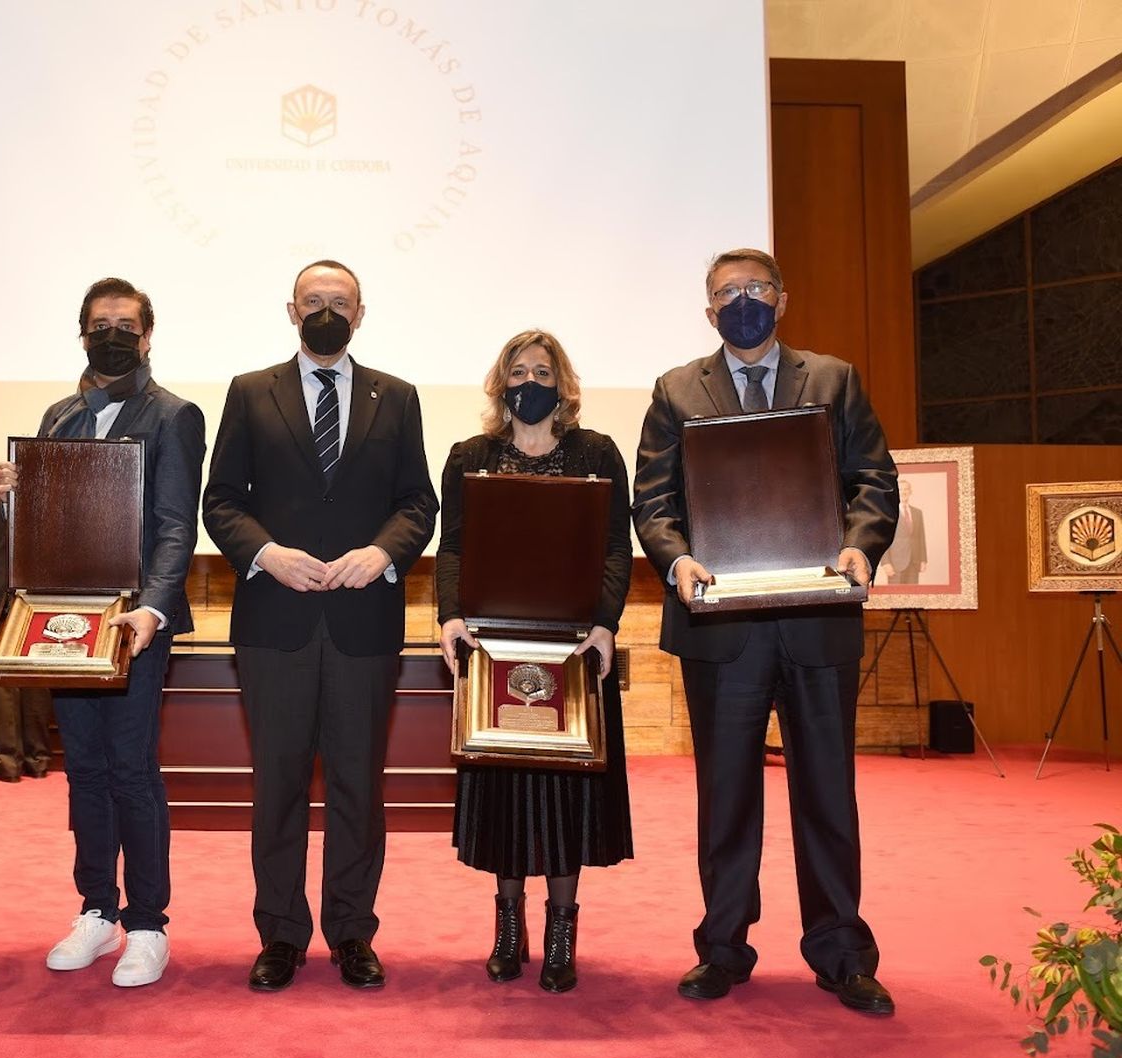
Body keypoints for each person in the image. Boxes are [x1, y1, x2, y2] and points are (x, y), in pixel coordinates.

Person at [631, 248, 899, 1016]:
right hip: (722, 626)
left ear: (783, 297)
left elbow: (874, 481)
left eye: (755, 288)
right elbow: (654, 500)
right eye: (726, 292)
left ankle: (842, 951)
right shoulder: (677, 389)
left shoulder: (834, 378)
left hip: (817, 616)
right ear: (706, 308)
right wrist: (676, 561)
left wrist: (860, 543)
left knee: (826, 792)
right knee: (725, 797)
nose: (741, 301)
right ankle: (722, 947)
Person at [203, 260, 438, 992]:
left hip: (364, 622)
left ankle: (351, 931)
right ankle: (280, 933)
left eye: (340, 302)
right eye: (314, 301)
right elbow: (221, 501)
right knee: (275, 785)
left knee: (357, 787)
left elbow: (418, 504)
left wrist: (382, 553)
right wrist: (267, 553)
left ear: (361, 313)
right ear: (290, 310)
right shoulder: (250, 391)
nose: (326, 310)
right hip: (275, 624)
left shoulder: (396, 397)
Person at [0, 277, 205, 988]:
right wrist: (11, 501)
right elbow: (48, 523)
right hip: (65, 623)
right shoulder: (58, 414)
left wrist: (153, 607)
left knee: (131, 770)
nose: (111, 333)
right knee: (82, 770)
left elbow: (176, 526)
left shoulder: (175, 414)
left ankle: (148, 921)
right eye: (98, 323)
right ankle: (97, 910)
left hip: (133, 625)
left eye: (125, 323)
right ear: (82, 334)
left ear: (147, 336)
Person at [435, 330, 633, 993]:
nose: (530, 379)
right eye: (518, 370)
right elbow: (454, 546)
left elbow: (613, 547)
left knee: (568, 792)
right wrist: (450, 615)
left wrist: (606, 625)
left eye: (542, 369)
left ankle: (561, 933)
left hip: (576, 646)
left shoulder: (596, 451)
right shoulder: (471, 455)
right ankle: (509, 929)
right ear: (500, 383)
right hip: (496, 643)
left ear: (563, 381)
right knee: (507, 794)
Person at [0, 479, 53, 782]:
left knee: (3, 683)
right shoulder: (50, 493)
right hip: (38, 597)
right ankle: (38, 760)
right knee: (37, 680)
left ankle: (8, 762)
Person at [879, 479, 926, 584]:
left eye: (906, 489)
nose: (904, 492)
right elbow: (883, 539)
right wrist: (885, 563)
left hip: (914, 562)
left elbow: (921, 537)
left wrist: (923, 559)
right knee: (896, 597)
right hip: (895, 563)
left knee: (913, 597)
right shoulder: (888, 513)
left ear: (910, 492)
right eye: (901, 490)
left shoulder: (918, 513)